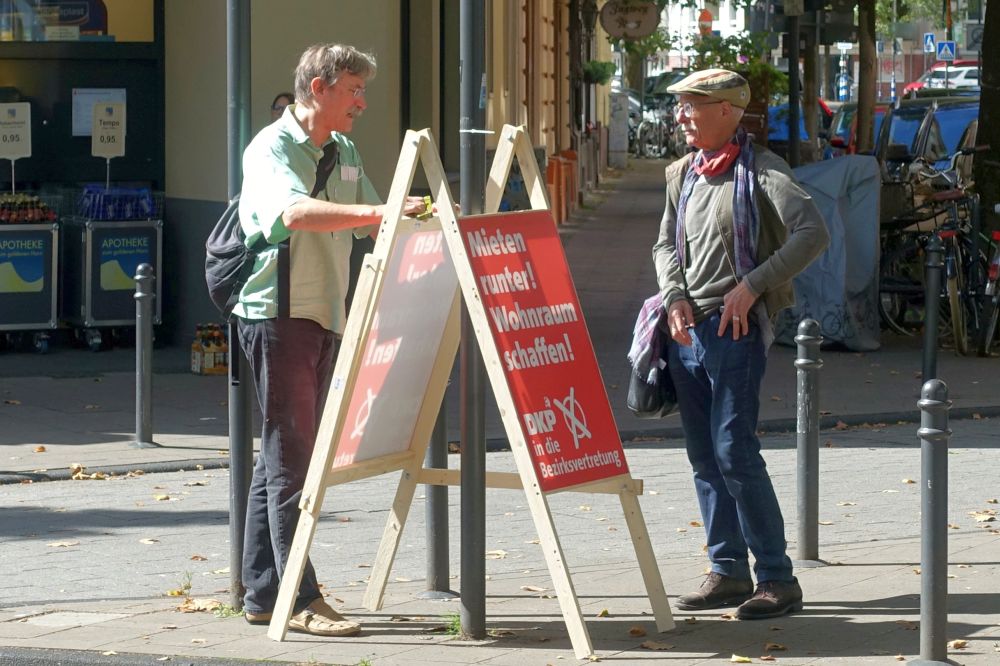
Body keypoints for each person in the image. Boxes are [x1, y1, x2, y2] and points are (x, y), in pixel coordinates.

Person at [234, 43, 425, 637]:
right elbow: (291, 214)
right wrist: (383, 215)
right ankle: (300, 597)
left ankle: (265, 592)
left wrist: (424, 215)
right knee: (294, 458)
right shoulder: (271, 147)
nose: (362, 103)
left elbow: (378, 211)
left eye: (363, 91)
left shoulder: (341, 150)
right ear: (317, 88)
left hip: (326, 314)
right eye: (352, 90)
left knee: (281, 454)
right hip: (279, 313)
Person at [653, 69, 829, 619]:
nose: (680, 115)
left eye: (692, 105)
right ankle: (727, 572)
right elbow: (665, 243)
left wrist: (752, 287)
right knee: (705, 455)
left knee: (734, 450)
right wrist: (674, 296)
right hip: (686, 331)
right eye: (679, 106)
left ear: (728, 110)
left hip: (734, 332)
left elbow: (813, 233)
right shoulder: (682, 173)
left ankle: (777, 578)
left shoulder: (763, 172)